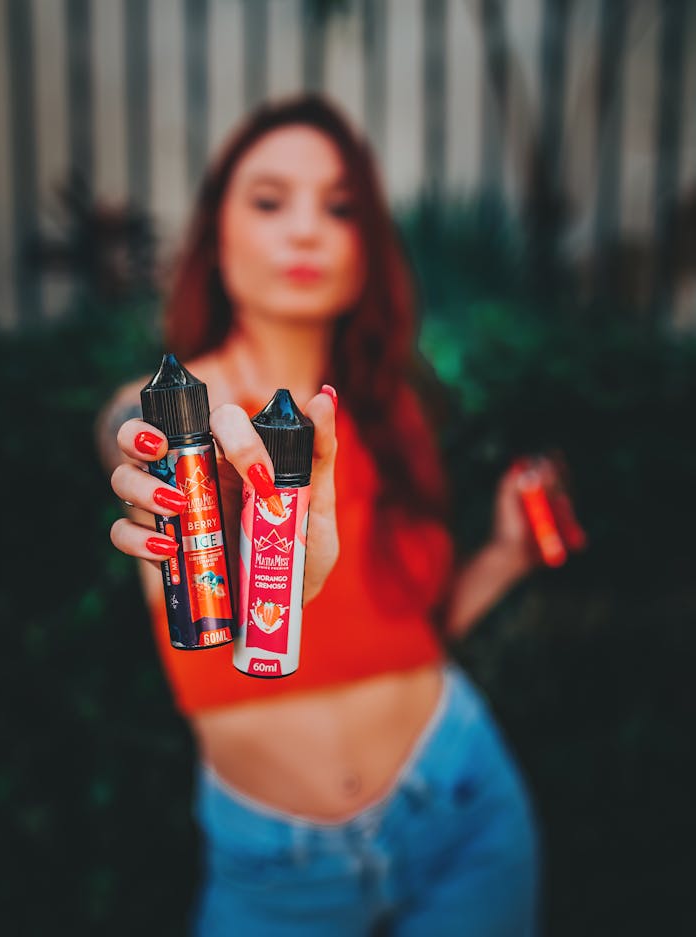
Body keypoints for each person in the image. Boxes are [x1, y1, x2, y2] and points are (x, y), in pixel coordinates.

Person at [97, 94, 569, 935]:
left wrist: (503, 555)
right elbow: (123, 435)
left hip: (464, 807)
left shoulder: (393, 417)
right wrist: (158, 459)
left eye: (340, 206)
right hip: (275, 872)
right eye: (271, 200)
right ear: (218, 240)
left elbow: (415, 631)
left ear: (365, 251)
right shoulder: (173, 414)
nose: (308, 229)